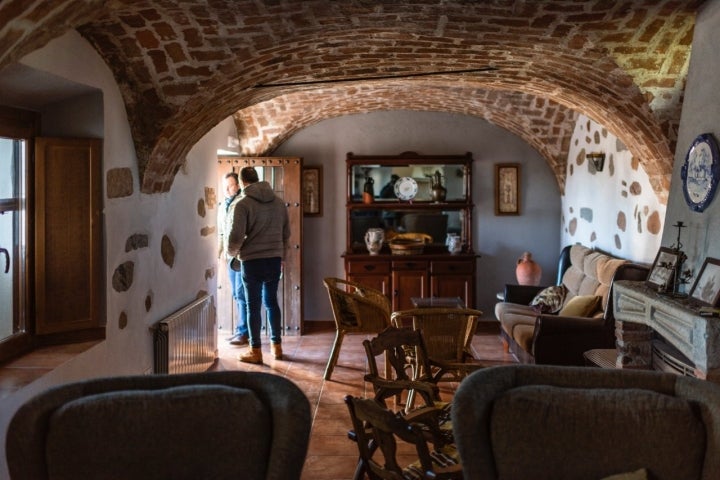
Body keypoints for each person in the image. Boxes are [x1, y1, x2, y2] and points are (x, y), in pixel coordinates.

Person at [227, 166, 290, 364]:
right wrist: (282, 255)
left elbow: (236, 236)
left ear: (243, 182)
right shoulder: (279, 203)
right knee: (272, 303)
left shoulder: (243, 204)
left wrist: (231, 253)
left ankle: (255, 351)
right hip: (273, 259)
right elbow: (286, 234)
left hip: (252, 261)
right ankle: (276, 347)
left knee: (253, 307)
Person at [217, 172, 249, 346]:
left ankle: (244, 332)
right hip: (229, 257)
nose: (228, 190)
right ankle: (241, 330)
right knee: (237, 294)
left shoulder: (243, 203)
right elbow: (221, 232)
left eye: (230, 186)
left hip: (242, 256)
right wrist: (219, 253)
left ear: (238, 185)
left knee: (242, 294)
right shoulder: (223, 206)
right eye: (225, 187)